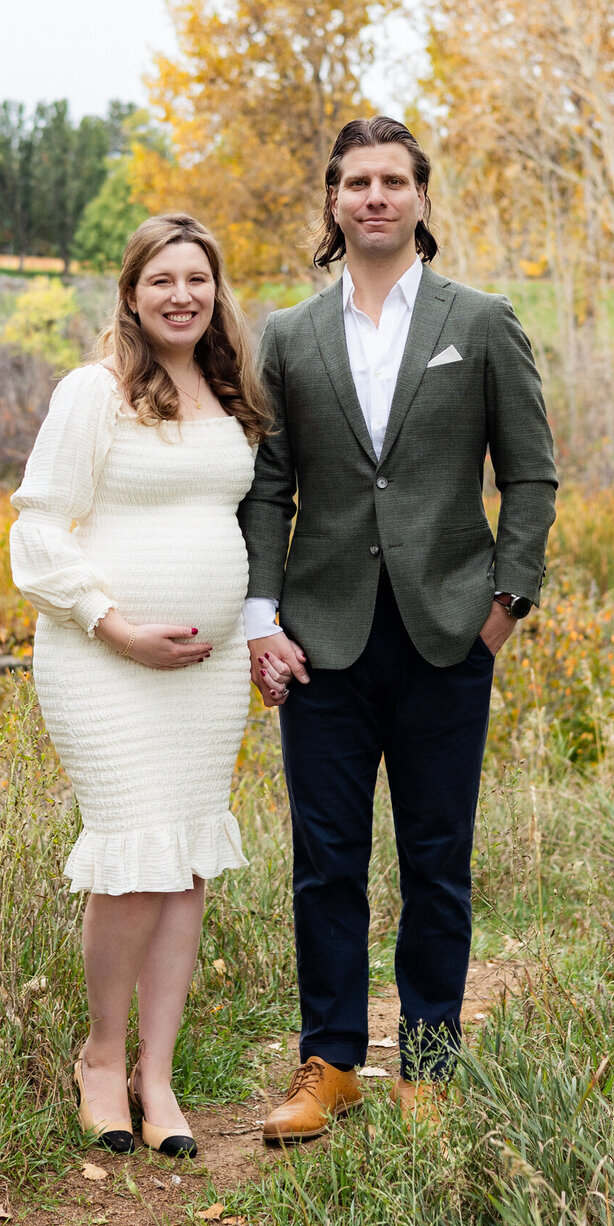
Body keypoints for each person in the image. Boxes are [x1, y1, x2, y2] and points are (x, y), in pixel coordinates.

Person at [239, 116, 557, 1141]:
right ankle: (328, 1064)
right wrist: (259, 619)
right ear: (333, 203)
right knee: (325, 861)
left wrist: (503, 609)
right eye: (356, 182)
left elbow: (532, 476)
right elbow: (270, 489)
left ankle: (428, 1061)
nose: (375, 196)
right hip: (321, 640)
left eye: (393, 180)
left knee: (436, 856)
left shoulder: (482, 320)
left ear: (421, 198)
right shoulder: (290, 335)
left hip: (448, 636)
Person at [10, 214, 287, 1158]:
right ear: (130, 293)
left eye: (198, 280)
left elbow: (247, 524)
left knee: (185, 870)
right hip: (101, 659)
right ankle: (98, 1058)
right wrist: (118, 624)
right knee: (132, 854)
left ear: (216, 293)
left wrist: (255, 630)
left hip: (203, 676)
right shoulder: (94, 393)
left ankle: (156, 1076)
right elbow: (39, 531)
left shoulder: (229, 392)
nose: (182, 295)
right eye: (162, 279)